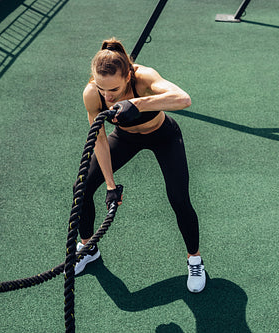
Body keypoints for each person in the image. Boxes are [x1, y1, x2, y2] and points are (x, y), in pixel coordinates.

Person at [75, 37, 205, 293]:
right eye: (102, 88)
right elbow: (99, 139)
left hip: (163, 135)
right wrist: (111, 186)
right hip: (125, 138)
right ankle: (88, 248)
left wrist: (138, 103)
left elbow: (183, 99)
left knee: (179, 198)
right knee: (82, 187)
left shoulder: (144, 78)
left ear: (128, 76)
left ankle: (195, 260)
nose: (107, 96)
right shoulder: (92, 94)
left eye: (114, 90)